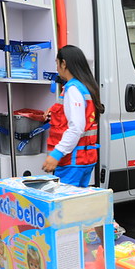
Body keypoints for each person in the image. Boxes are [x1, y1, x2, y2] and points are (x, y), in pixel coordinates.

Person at [42, 45, 105, 187]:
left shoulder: (73, 89)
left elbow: (76, 128)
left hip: (72, 162)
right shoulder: (85, 86)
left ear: (64, 63)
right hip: (85, 159)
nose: (57, 68)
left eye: (57, 63)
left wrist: (56, 154)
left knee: (66, 206)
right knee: (77, 205)